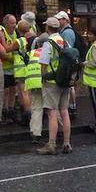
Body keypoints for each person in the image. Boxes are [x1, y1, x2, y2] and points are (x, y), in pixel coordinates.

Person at [37, 17, 72, 155]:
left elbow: (43, 63)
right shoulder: (65, 41)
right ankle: (67, 143)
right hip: (65, 81)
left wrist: (43, 78)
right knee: (64, 111)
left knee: (52, 113)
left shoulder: (49, 43)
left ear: (47, 28)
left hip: (52, 82)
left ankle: (51, 145)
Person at [25, 32, 47, 144]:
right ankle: (60, 132)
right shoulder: (49, 53)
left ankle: (35, 133)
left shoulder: (31, 53)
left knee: (36, 108)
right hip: (45, 82)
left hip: (32, 83)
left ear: (38, 44)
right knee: (54, 108)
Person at [12, 20, 34, 127]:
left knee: (23, 93)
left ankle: (27, 116)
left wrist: (0, 38)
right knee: (28, 93)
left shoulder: (19, 41)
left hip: (20, 69)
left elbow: (7, 49)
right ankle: (28, 115)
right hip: (28, 68)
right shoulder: (30, 40)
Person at [55, 10, 78, 114]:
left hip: (68, 62)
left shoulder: (67, 32)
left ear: (65, 20)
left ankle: (71, 107)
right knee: (70, 85)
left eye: (59, 19)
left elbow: (68, 49)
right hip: (69, 61)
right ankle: (70, 106)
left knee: (70, 86)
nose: (58, 21)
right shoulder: (65, 31)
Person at [0, 14, 19, 124]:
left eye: (15, 22)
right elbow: (0, 51)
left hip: (14, 68)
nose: (14, 25)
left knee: (13, 90)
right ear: (6, 24)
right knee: (5, 91)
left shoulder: (16, 33)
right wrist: (11, 58)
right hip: (4, 68)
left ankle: (11, 111)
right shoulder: (1, 34)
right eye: (12, 23)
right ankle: (4, 112)